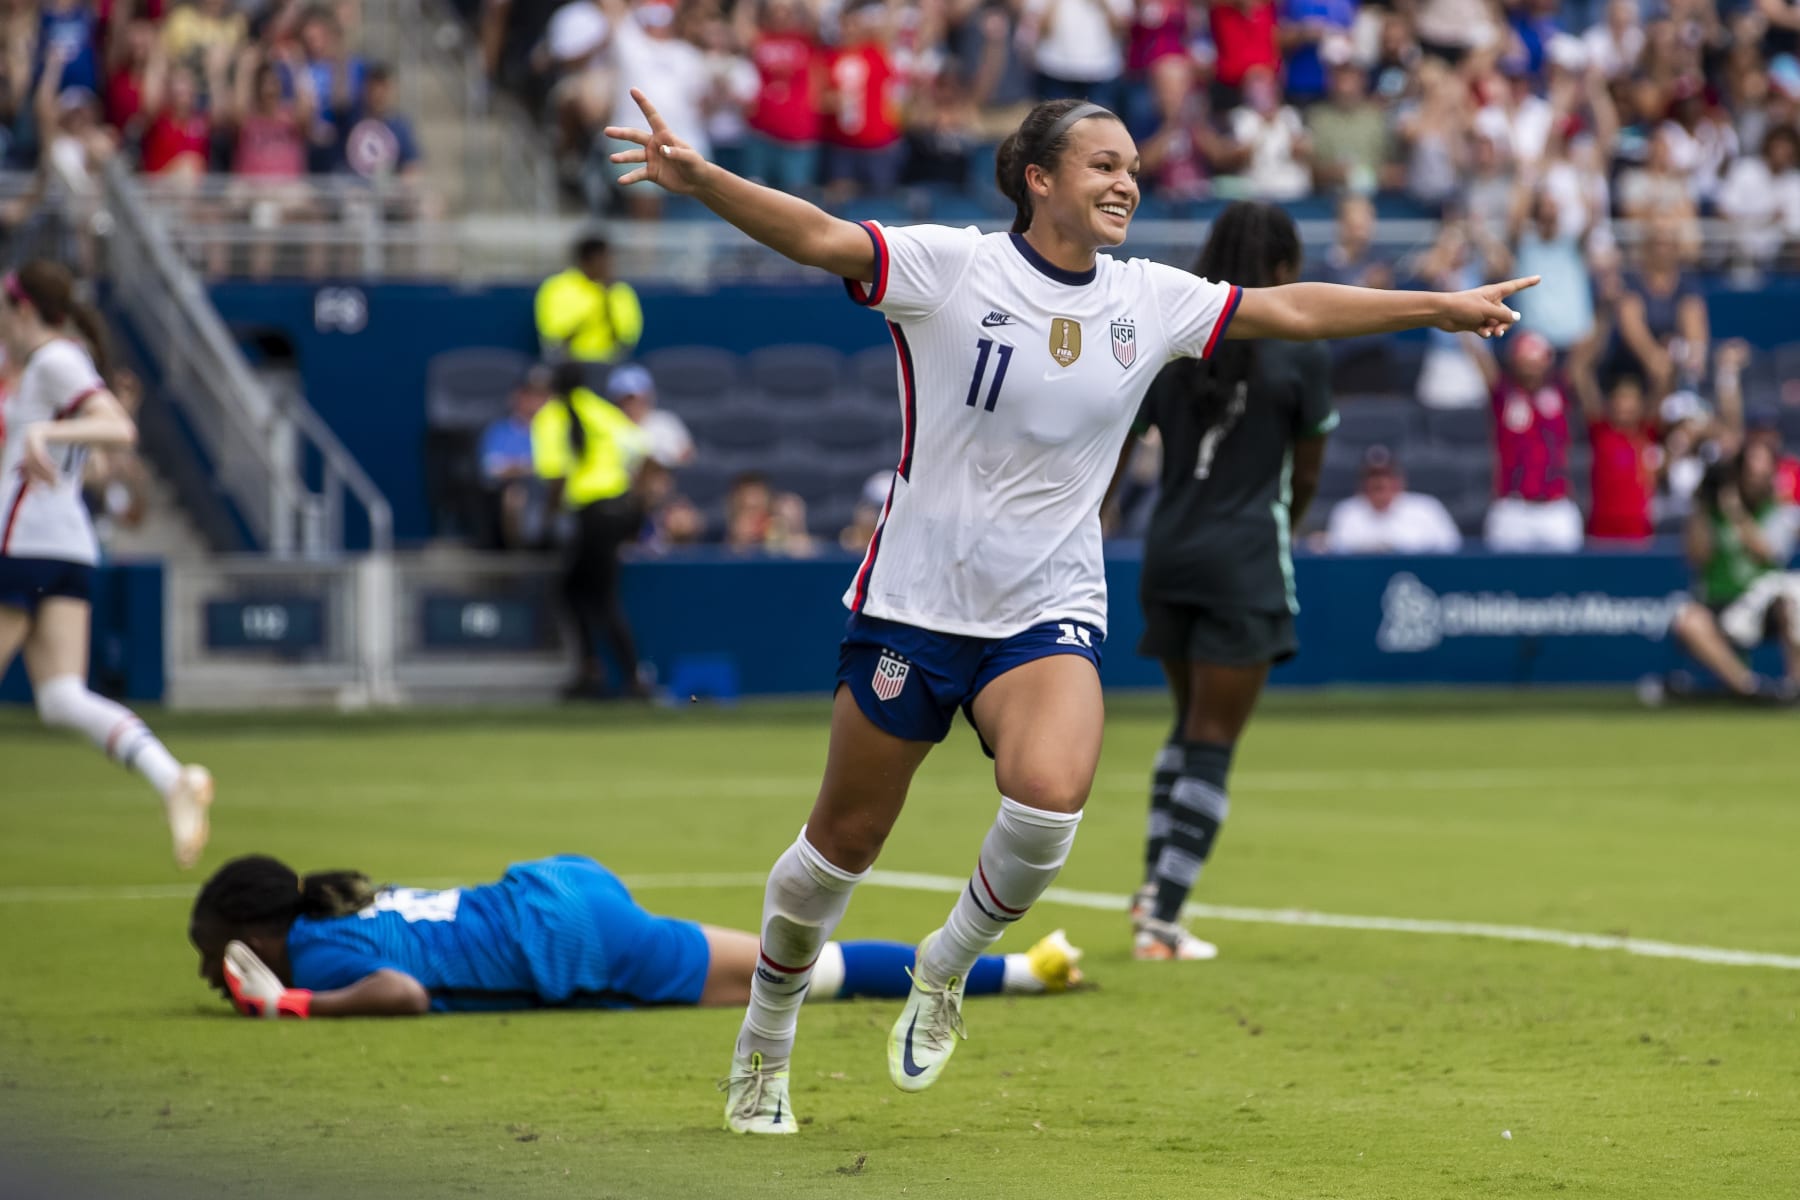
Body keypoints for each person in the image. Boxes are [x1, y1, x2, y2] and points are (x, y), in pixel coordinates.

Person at [602, 88, 1534, 1134]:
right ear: (1038, 179)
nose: (1125, 180)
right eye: (1101, 164)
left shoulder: (1147, 297)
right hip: (914, 605)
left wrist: (1438, 307)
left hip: (1047, 605)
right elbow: (821, 236)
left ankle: (943, 968)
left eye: (1131, 164)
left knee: (1048, 800)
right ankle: (765, 1041)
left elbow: (1291, 309)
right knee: (841, 847)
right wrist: (701, 178)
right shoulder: (953, 266)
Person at [1117, 201, 1335, 962]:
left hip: (1167, 554)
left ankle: (1150, 892)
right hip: (1242, 561)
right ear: (1280, 271)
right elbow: (1304, 476)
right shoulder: (1300, 350)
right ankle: (1163, 924)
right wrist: (1278, 521)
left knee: (1185, 728)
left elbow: (1117, 451)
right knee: (1212, 742)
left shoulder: (1172, 342)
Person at [191, 854, 1086, 1021]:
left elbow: (404, 995)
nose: (211, 971)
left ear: (258, 933)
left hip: (565, 936)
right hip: (559, 889)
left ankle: (1023, 973)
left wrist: (294, 1004)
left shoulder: (310, 954)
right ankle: (1019, 972)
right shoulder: (332, 915)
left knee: (798, 978)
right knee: (786, 974)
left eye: (216, 951)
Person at [0, 261, 213, 868]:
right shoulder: (62, 364)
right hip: (65, 545)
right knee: (62, 696)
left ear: (22, 310)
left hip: (24, 546)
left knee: (61, 694)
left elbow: (114, 431)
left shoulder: (52, 361)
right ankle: (172, 776)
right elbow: (95, 461)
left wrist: (40, 432)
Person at [531, 361, 649, 699]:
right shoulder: (600, 410)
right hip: (617, 507)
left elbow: (557, 477)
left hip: (592, 515)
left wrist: (546, 520)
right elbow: (640, 452)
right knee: (579, 591)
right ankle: (597, 670)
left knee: (593, 595)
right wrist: (635, 510)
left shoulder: (550, 417)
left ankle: (624, 676)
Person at [1665, 441, 1800, 701]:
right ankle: (1750, 689)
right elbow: (1697, 556)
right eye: (1748, 471)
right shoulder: (1711, 513)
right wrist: (1702, 506)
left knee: (1793, 601)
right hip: (1721, 601)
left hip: (1762, 603)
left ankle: (1795, 688)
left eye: (1761, 472)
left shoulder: (1777, 511)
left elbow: (1768, 552)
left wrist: (1736, 513)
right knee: (1688, 620)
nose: (1754, 479)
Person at [1464, 330, 1583, 552]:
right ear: (1515, 362)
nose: (1532, 367)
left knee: (1568, 579)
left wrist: (1604, 313)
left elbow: (1583, 357)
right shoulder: (1503, 394)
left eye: (1536, 361)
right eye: (1526, 361)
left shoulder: (1560, 391)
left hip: (1556, 507)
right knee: (1504, 580)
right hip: (1512, 506)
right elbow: (1479, 357)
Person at [533, 235, 645, 384]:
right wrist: (596, 308)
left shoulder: (620, 291)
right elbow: (554, 339)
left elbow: (626, 341)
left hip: (610, 365)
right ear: (586, 260)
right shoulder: (556, 287)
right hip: (567, 365)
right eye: (604, 259)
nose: (609, 265)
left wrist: (608, 302)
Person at [1323, 446, 1462, 554]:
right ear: (1362, 483)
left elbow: (1452, 550)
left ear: (1399, 481)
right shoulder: (1346, 513)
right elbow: (1337, 557)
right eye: (1372, 476)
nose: (1380, 482)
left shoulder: (1426, 508)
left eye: (1386, 475)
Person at [479, 365, 552, 550]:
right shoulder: (500, 431)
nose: (537, 402)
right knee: (514, 496)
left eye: (542, 396)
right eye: (531, 395)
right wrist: (532, 467)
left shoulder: (557, 430)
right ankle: (521, 554)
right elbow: (492, 469)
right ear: (518, 396)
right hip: (519, 491)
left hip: (552, 490)